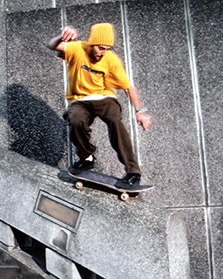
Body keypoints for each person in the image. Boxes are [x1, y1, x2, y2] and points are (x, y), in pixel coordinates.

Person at [47, 23, 152, 188]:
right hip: (79, 100)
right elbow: (52, 45)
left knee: (114, 120)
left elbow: (128, 86)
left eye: (108, 49)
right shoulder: (77, 49)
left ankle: (133, 172)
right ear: (92, 44)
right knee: (75, 119)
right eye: (101, 48)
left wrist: (141, 112)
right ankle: (86, 157)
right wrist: (63, 36)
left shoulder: (111, 59)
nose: (104, 53)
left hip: (104, 98)